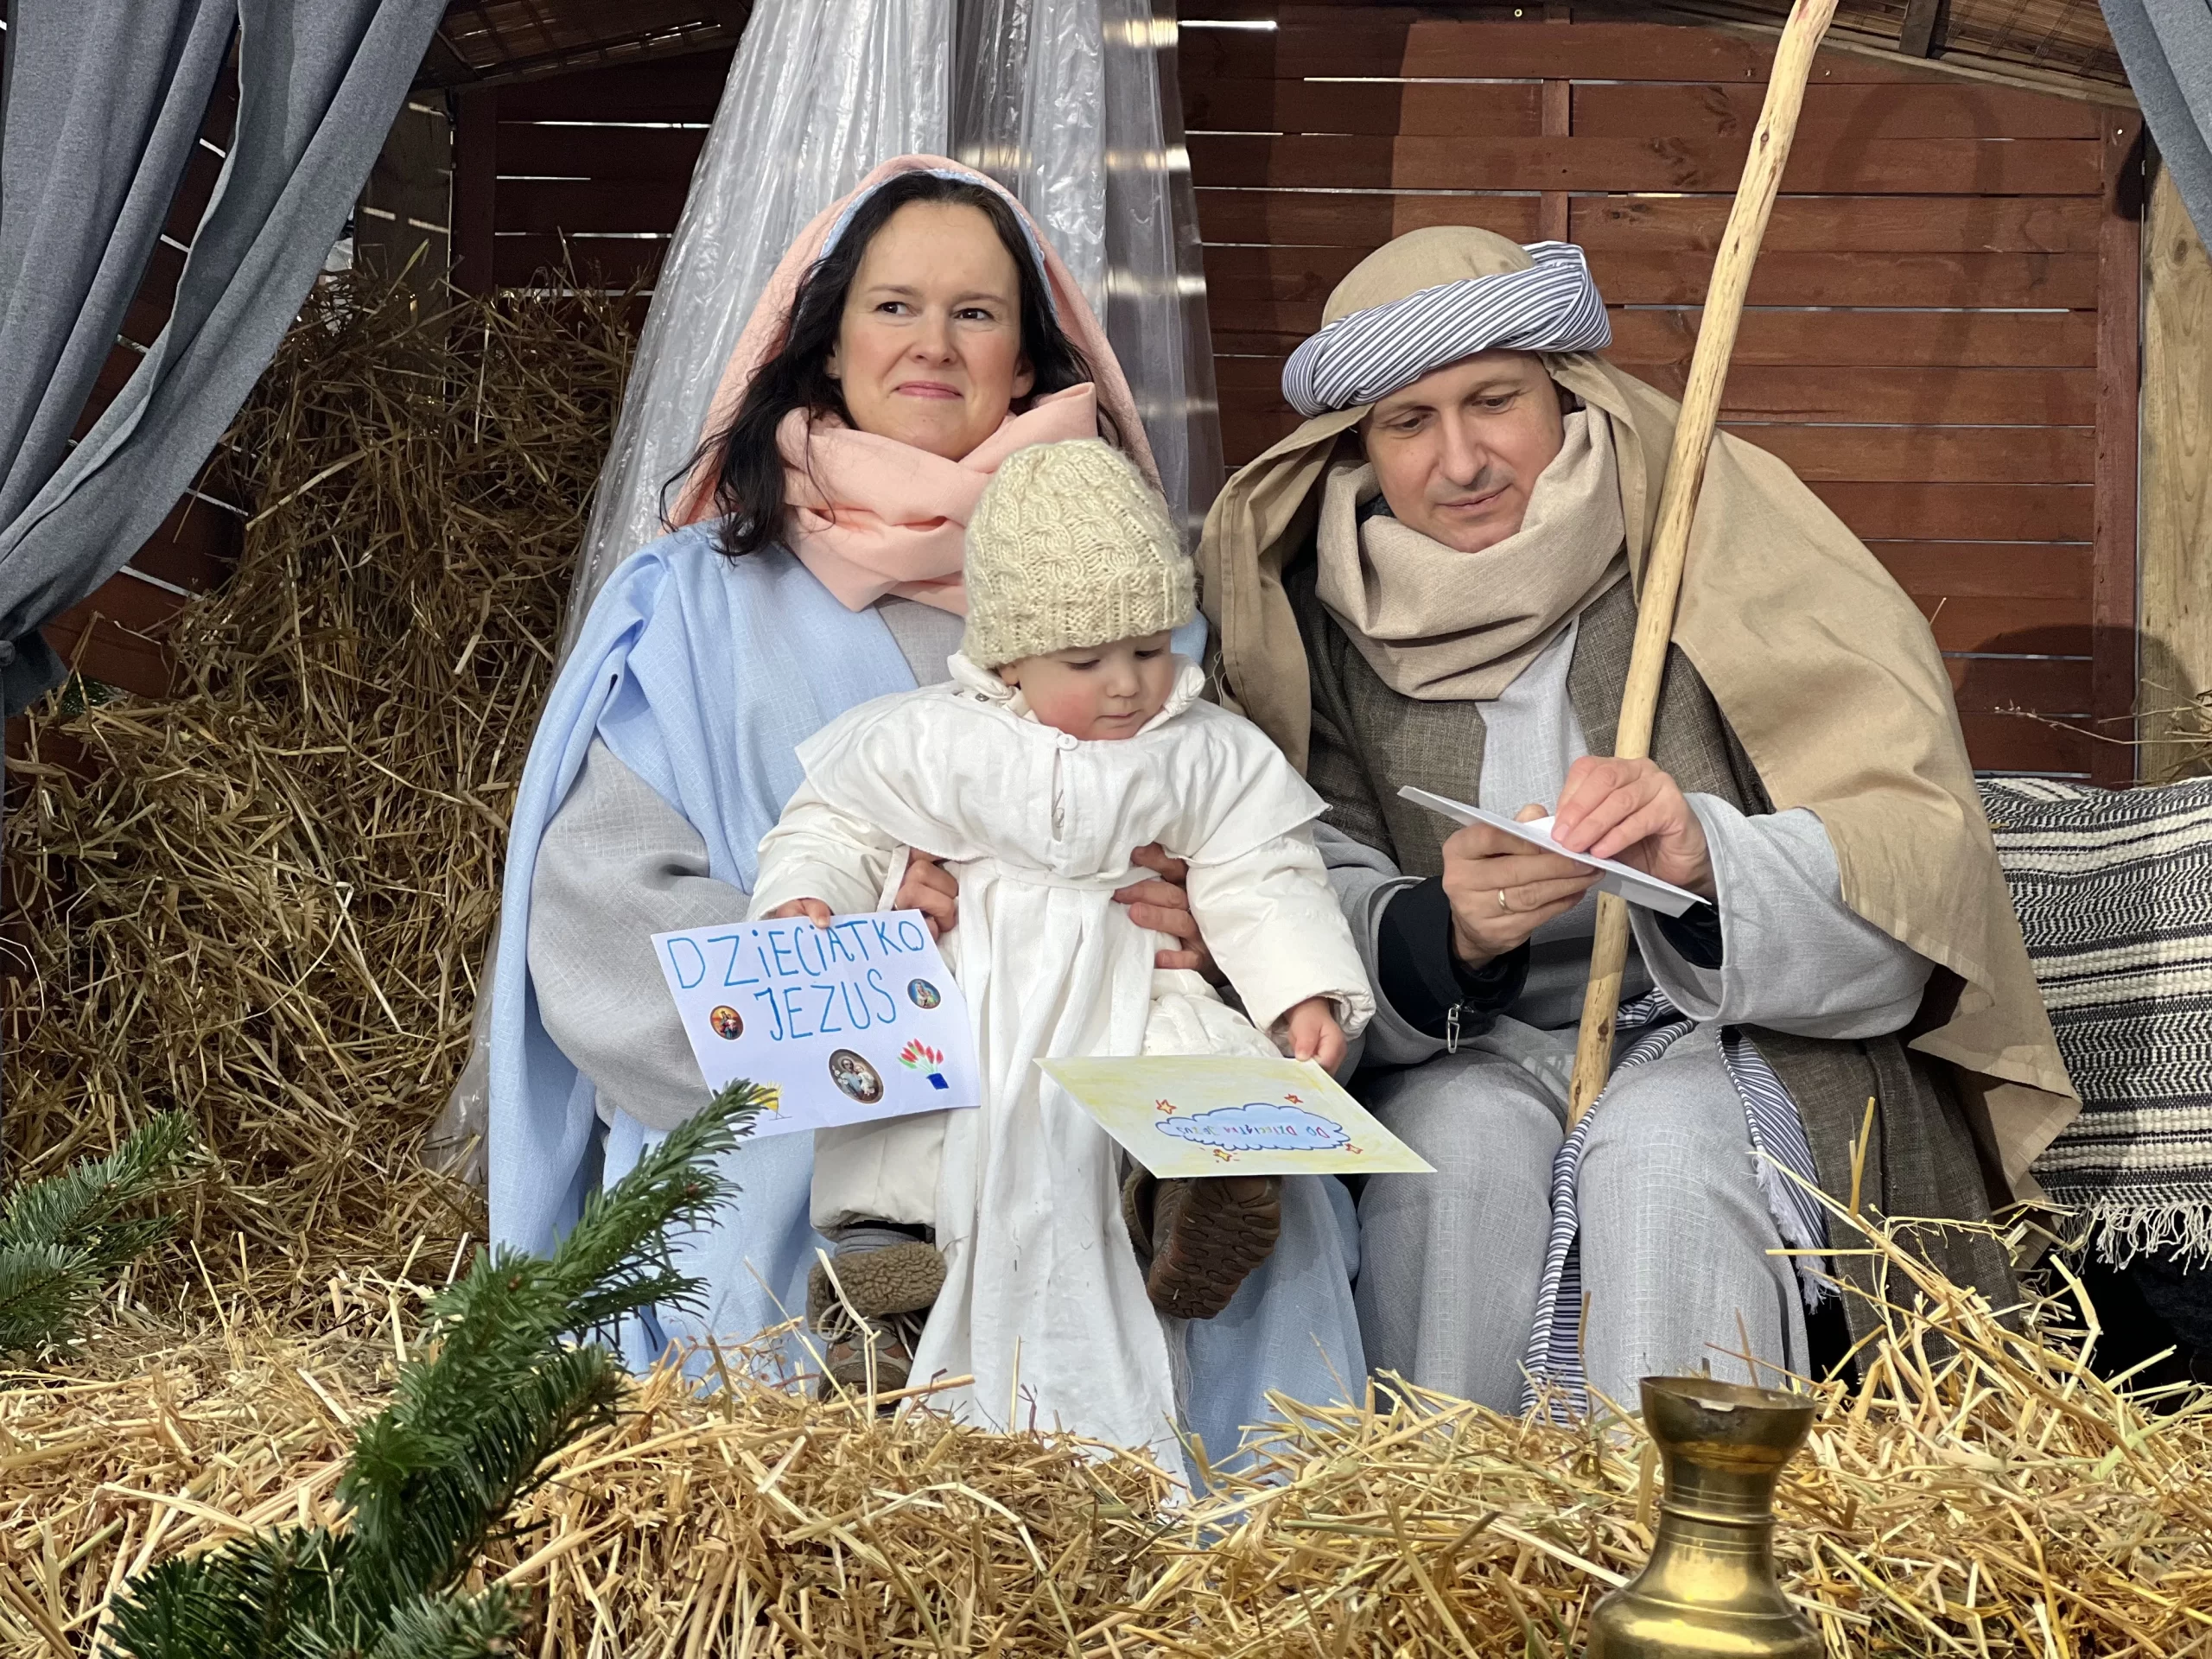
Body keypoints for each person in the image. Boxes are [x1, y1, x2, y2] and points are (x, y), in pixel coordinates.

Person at [486, 158, 1368, 1462]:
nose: (934, 344)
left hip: (1102, 1057)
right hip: (821, 1105)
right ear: (825, 339)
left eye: (977, 312)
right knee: (783, 1229)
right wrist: (863, 980)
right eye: (895, 306)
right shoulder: (692, 603)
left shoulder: (1149, 617)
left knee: (1241, 1191)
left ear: (1028, 360)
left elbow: (1253, 842)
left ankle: (1223, 1551)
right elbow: (598, 925)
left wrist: (1216, 945)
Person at [1197, 227, 2077, 1414]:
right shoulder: (1313, 617)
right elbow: (1290, 884)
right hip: (1472, 1049)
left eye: (1494, 401)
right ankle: (1451, 1556)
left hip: (1733, 1037)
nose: (1459, 460)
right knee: (1454, 1149)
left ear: (1561, 394)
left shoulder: (1711, 541)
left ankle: (1690, 1561)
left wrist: (1708, 861)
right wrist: (1438, 934)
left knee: (1659, 1143)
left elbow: (1909, 866)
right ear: (1362, 444)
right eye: (1409, 422)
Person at [748, 439, 1372, 1464]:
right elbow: (834, 824)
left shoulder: (1202, 749)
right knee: (906, 1122)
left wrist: (1301, 988)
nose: (1128, 684)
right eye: (1087, 662)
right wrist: (808, 900)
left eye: (1148, 644)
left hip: (1129, 979)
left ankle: (1186, 1207)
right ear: (1006, 660)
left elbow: (1264, 871)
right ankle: (881, 1291)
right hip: (975, 994)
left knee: (1194, 1077)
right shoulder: (931, 740)